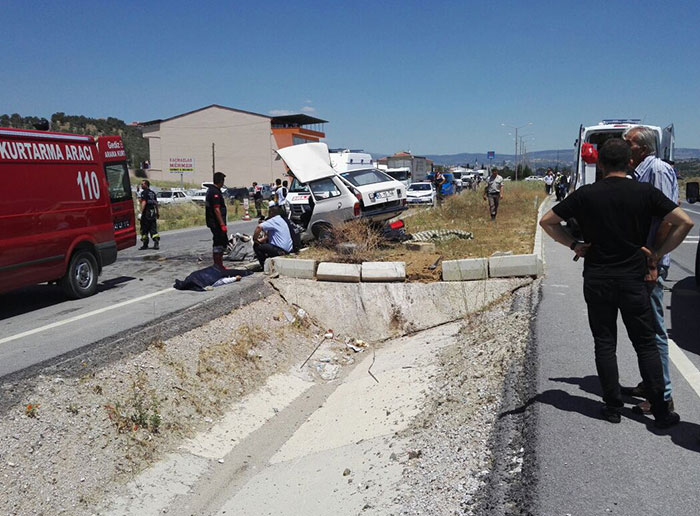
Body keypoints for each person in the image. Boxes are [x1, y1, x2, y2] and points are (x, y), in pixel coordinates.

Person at [539, 138, 693, 427]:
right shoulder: (645, 192)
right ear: (628, 163)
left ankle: (612, 406)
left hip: (597, 277)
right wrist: (658, 254)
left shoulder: (586, 195)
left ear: (600, 164)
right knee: (645, 343)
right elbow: (685, 221)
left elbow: (548, 221)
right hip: (634, 279)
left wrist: (574, 245)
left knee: (605, 342)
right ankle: (661, 411)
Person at [621, 126, 680, 413]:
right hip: (641, 261)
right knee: (642, 329)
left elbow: (668, 218)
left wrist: (654, 259)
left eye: (627, 143)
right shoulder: (639, 171)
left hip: (651, 263)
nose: (623, 147)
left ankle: (662, 395)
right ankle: (650, 381)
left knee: (654, 330)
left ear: (642, 147)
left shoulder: (655, 170)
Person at [252, 203, 293, 267]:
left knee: (257, 247)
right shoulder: (280, 220)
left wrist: (255, 239)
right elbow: (268, 236)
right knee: (264, 245)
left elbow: (259, 227)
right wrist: (260, 240)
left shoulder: (273, 220)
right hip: (288, 249)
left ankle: (264, 266)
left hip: (280, 250)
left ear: (271, 213)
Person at [206, 172, 228, 269]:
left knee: (220, 242)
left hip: (214, 222)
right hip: (216, 223)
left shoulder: (212, 190)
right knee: (219, 242)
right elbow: (216, 209)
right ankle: (218, 265)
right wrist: (222, 224)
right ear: (221, 181)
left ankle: (219, 264)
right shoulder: (214, 192)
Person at [139, 180, 160, 250]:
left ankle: (145, 244)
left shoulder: (144, 193)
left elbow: (144, 202)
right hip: (152, 213)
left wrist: (141, 213)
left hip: (146, 214)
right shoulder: (153, 193)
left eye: (142, 184)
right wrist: (157, 212)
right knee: (153, 229)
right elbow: (156, 203)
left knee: (144, 230)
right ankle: (156, 243)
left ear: (146, 185)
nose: (141, 185)